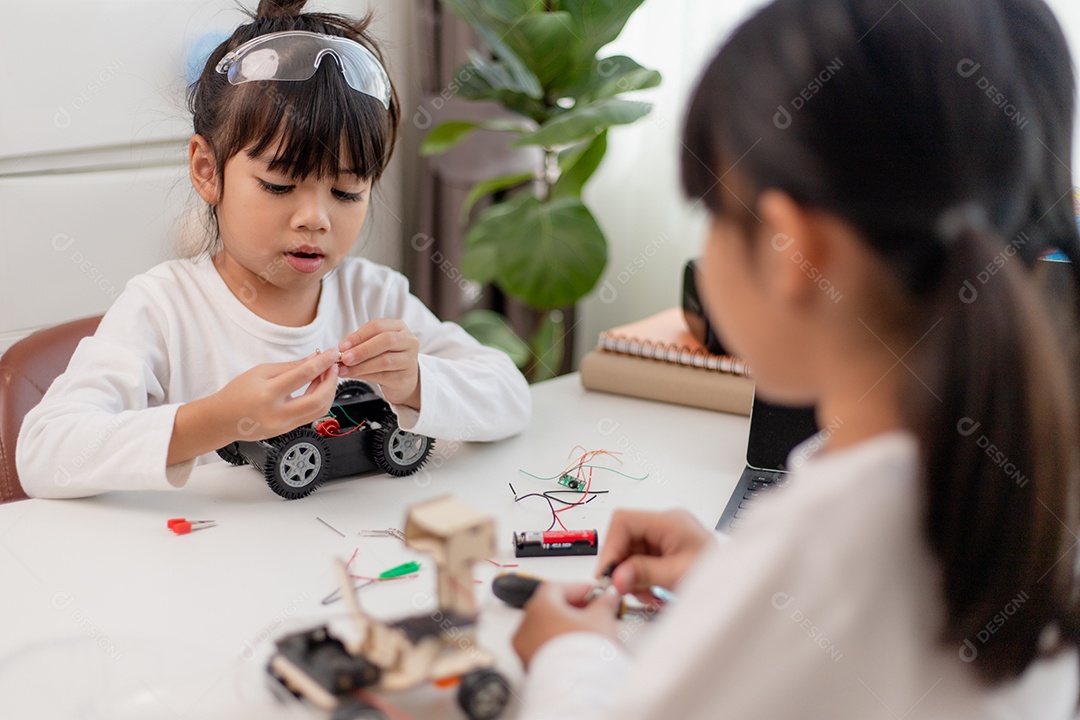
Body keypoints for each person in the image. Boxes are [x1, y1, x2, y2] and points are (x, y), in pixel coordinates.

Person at [512, 0, 1080, 718]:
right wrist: (737, 585)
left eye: (712, 213)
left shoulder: (823, 545)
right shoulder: (1008, 489)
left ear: (791, 250)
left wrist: (568, 653)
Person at [16, 0, 530, 499]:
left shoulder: (373, 296)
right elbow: (42, 454)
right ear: (207, 170)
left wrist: (416, 381)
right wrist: (216, 420)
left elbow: (510, 396)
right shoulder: (163, 309)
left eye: (348, 192)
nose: (316, 218)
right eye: (281, 186)